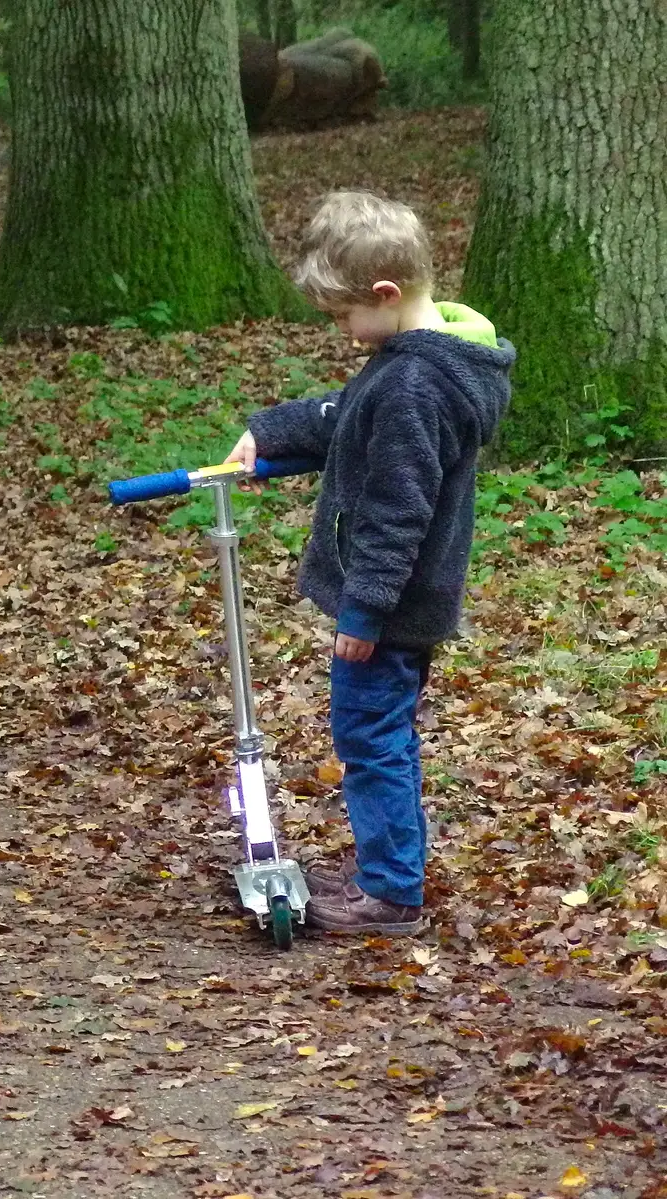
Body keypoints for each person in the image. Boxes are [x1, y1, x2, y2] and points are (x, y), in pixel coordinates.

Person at [225, 191, 515, 935]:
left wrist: (364, 611)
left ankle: (389, 892)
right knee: (379, 732)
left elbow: (396, 512)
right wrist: (268, 433)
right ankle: (387, 872)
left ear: (385, 296)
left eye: (342, 315)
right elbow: (346, 412)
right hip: (398, 605)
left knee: (372, 738)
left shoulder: (416, 384)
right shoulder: (416, 362)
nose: (343, 331)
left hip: (390, 609)